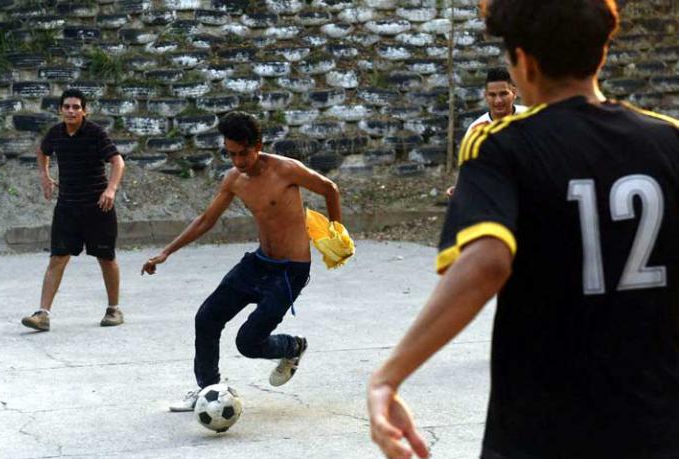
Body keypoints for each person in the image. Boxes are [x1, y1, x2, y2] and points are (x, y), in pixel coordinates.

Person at [368, 0, 679, 458]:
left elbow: (486, 262)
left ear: (524, 63)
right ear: (602, 51)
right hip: (658, 425)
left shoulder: (499, 145)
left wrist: (388, 377)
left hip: (541, 428)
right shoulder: (668, 139)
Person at [141, 111, 342, 411]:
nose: (238, 161)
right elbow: (206, 219)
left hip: (291, 271)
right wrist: (167, 252)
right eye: (231, 154)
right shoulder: (234, 179)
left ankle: (293, 346)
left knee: (248, 343)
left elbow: (329, 188)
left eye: (243, 153)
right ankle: (208, 389)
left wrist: (336, 231)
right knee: (207, 318)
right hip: (258, 263)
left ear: (258, 145)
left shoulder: (286, 170)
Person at [21, 89, 125, 332]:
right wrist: (44, 176)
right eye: (66, 106)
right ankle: (42, 314)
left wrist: (111, 189)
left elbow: (118, 161)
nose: (71, 110)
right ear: (60, 110)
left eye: (76, 107)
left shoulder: (95, 133)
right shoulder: (55, 134)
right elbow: (42, 151)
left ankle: (113, 309)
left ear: (84, 110)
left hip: (98, 206)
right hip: (67, 206)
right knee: (57, 257)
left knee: (106, 258)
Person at [448, 68, 527, 197]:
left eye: (503, 94)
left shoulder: (531, 118)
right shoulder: (476, 130)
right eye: (492, 95)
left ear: (514, 93)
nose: (498, 101)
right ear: (485, 96)